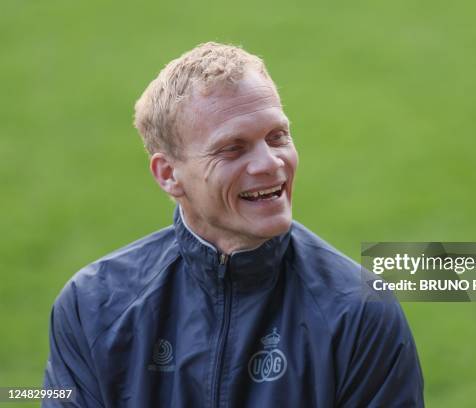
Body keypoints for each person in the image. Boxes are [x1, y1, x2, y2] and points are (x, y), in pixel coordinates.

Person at [43, 42, 424, 407]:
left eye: (277, 137)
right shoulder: (91, 305)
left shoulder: (358, 311)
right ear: (168, 174)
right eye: (233, 149)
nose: (270, 164)